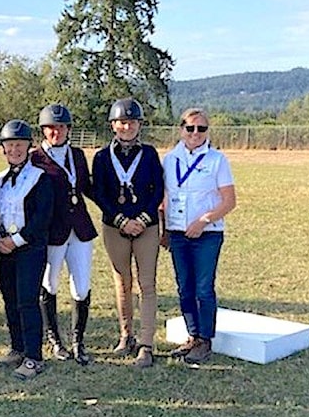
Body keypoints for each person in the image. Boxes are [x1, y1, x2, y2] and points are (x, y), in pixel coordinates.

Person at [91, 98, 164, 368]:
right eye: (123, 122)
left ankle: (146, 343)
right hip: (115, 226)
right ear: (113, 125)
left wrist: (143, 219)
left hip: (146, 225)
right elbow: (99, 193)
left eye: (132, 122)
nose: (127, 127)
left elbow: (157, 189)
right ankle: (126, 335)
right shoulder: (101, 157)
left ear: (139, 125)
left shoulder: (150, 153)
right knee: (122, 282)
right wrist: (121, 219)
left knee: (147, 284)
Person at [161, 108, 237, 365]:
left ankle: (206, 339)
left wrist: (204, 221)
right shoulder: (170, 160)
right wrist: (164, 230)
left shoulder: (217, 160)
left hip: (207, 235)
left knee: (204, 288)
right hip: (178, 234)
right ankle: (192, 335)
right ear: (180, 129)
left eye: (201, 129)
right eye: (190, 128)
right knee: (185, 288)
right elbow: (164, 198)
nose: (195, 133)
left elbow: (229, 201)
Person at [29, 103, 99, 366]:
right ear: (44, 130)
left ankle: (78, 341)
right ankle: (55, 339)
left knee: (81, 287)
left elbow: (87, 187)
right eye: (50, 128)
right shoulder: (35, 158)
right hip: (52, 231)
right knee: (50, 284)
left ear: (68, 129)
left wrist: (116, 208)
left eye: (60, 127)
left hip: (79, 228)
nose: (55, 132)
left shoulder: (78, 155)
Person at [0, 119, 54, 380]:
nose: (14, 150)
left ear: (28, 147)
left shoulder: (40, 179)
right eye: (10, 145)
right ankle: (17, 346)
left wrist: (16, 240)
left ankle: (34, 356)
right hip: (5, 248)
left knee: (27, 300)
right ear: (4, 149)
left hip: (29, 247)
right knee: (10, 298)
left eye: (19, 145)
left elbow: (42, 218)